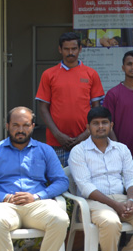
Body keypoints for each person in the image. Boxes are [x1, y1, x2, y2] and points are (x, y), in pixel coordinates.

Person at [0, 107, 69, 251]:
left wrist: (36, 196)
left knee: (60, 220)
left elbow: (62, 181)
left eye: (25, 125)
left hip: (38, 204)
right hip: (4, 206)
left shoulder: (45, 150)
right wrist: (5, 197)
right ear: (7, 126)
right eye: (15, 125)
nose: (20, 130)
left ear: (32, 126)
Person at [68, 106, 133, 251]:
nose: (100, 126)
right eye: (96, 123)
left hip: (121, 199)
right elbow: (86, 187)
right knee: (111, 222)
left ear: (111, 125)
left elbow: (131, 178)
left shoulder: (121, 149)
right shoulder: (78, 151)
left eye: (104, 122)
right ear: (88, 127)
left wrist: (130, 200)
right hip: (93, 203)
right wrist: (114, 205)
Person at [35, 31, 104, 166]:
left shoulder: (91, 74)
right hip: (56, 142)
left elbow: (97, 109)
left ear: (80, 49)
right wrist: (58, 135)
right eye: (66, 49)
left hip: (86, 141)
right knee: (58, 177)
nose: (70, 52)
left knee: (85, 178)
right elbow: (43, 108)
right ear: (60, 49)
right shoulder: (48, 74)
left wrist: (85, 134)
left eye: (74, 48)